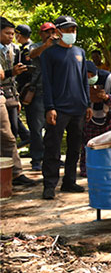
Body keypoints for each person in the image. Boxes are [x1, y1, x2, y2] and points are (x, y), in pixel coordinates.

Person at [40, 15, 91, 199]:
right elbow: (46, 82)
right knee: (52, 147)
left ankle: (69, 181)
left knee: (75, 147)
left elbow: (84, 80)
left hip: (78, 107)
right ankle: (50, 185)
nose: (72, 33)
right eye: (68, 29)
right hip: (59, 109)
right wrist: (49, 107)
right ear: (59, 31)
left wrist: (87, 104)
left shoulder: (80, 52)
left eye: (74, 29)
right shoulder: (49, 54)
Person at [26, 22, 57, 171]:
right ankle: (37, 159)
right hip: (39, 92)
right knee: (36, 128)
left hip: (56, 92)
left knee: (53, 128)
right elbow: (31, 55)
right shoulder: (35, 46)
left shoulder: (60, 46)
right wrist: (46, 46)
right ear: (41, 34)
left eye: (52, 31)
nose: (50, 34)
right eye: (47, 32)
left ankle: (51, 157)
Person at [79, 61, 111, 177]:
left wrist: (105, 97)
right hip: (89, 116)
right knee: (88, 144)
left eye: (91, 75)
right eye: (87, 76)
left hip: (108, 116)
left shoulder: (109, 78)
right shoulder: (78, 79)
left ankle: (109, 166)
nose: (89, 78)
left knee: (108, 143)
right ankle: (85, 168)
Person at [0, 18, 26, 145]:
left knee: (13, 130)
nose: (11, 36)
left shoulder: (14, 49)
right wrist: (11, 72)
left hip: (11, 93)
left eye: (12, 34)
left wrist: (17, 98)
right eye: (7, 33)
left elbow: (14, 78)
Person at [13, 24, 32, 147]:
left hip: (27, 87)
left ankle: (26, 136)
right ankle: (26, 136)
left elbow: (26, 70)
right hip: (26, 86)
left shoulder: (27, 50)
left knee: (15, 112)